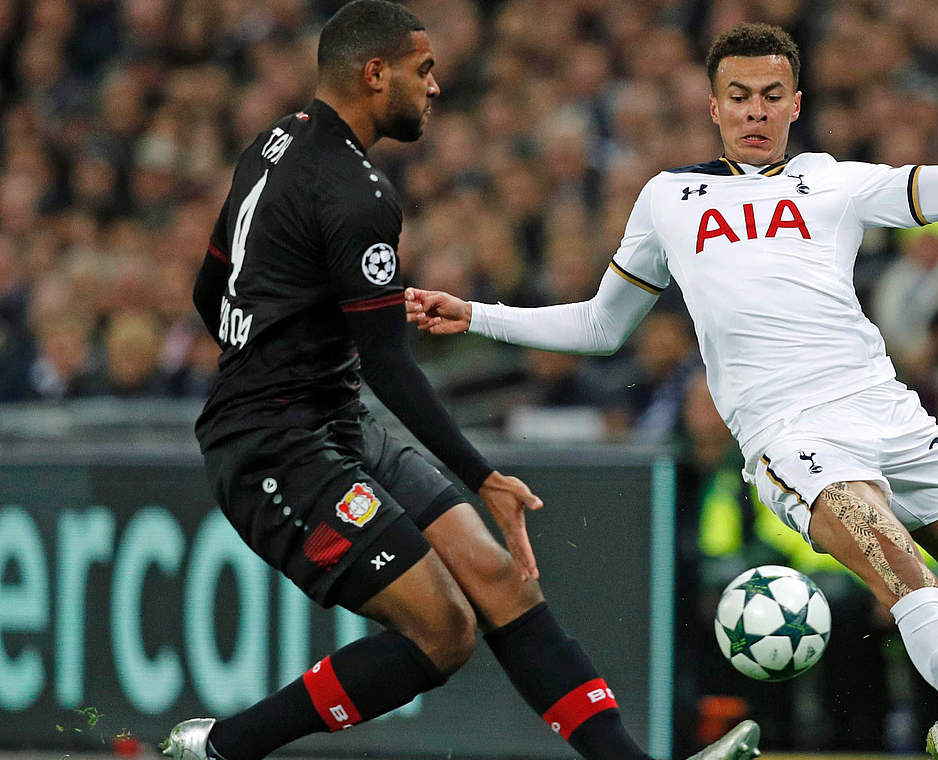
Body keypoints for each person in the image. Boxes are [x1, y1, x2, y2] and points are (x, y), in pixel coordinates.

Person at [407, 13, 938, 760]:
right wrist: (478, 314)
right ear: (713, 107)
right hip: (791, 437)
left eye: (772, 95)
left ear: (796, 103)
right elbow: (604, 326)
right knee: (907, 579)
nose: (756, 111)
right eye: (739, 96)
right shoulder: (667, 199)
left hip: (887, 411)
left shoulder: (833, 182)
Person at [161, 3, 760, 760]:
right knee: (443, 631)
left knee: (498, 576)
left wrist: (273, 351)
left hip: (331, 420)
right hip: (275, 446)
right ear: (375, 74)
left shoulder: (272, 141)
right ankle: (221, 749)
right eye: (424, 70)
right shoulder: (358, 194)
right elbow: (389, 363)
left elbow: (209, 292)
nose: (436, 87)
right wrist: (484, 475)